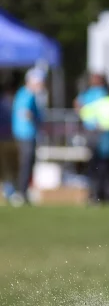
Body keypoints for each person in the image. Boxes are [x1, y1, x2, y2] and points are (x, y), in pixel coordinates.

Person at [79, 87, 109, 202]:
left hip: (103, 136)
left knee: (100, 169)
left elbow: (84, 112)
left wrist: (95, 125)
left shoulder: (100, 103)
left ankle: (97, 195)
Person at [10, 69, 46, 206]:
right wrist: (36, 119)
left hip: (27, 134)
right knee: (26, 163)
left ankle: (23, 192)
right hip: (25, 134)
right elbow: (25, 113)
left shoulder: (27, 94)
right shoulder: (27, 95)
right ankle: (20, 192)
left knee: (29, 163)